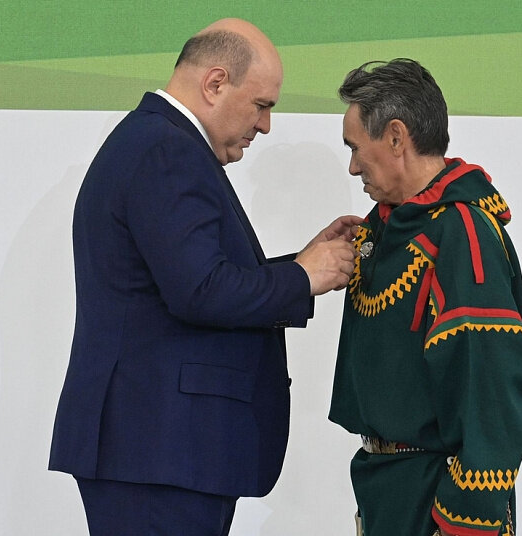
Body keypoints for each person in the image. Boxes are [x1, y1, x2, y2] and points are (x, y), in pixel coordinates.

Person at [49, 18, 361, 536]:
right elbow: (200, 291)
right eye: (261, 105)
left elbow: (192, 277)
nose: (265, 125)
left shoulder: (156, 142)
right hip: (159, 453)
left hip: (159, 453)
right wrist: (302, 278)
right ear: (215, 83)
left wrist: (302, 264)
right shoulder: (165, 149)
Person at [328, 59, 522, 536]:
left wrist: (465, 519)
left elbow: (491, 393)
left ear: (396, 137)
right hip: (388, 490)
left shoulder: (462, 232)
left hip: (436, 498)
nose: (353, 165)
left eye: (355, 147)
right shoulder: (385, 225)